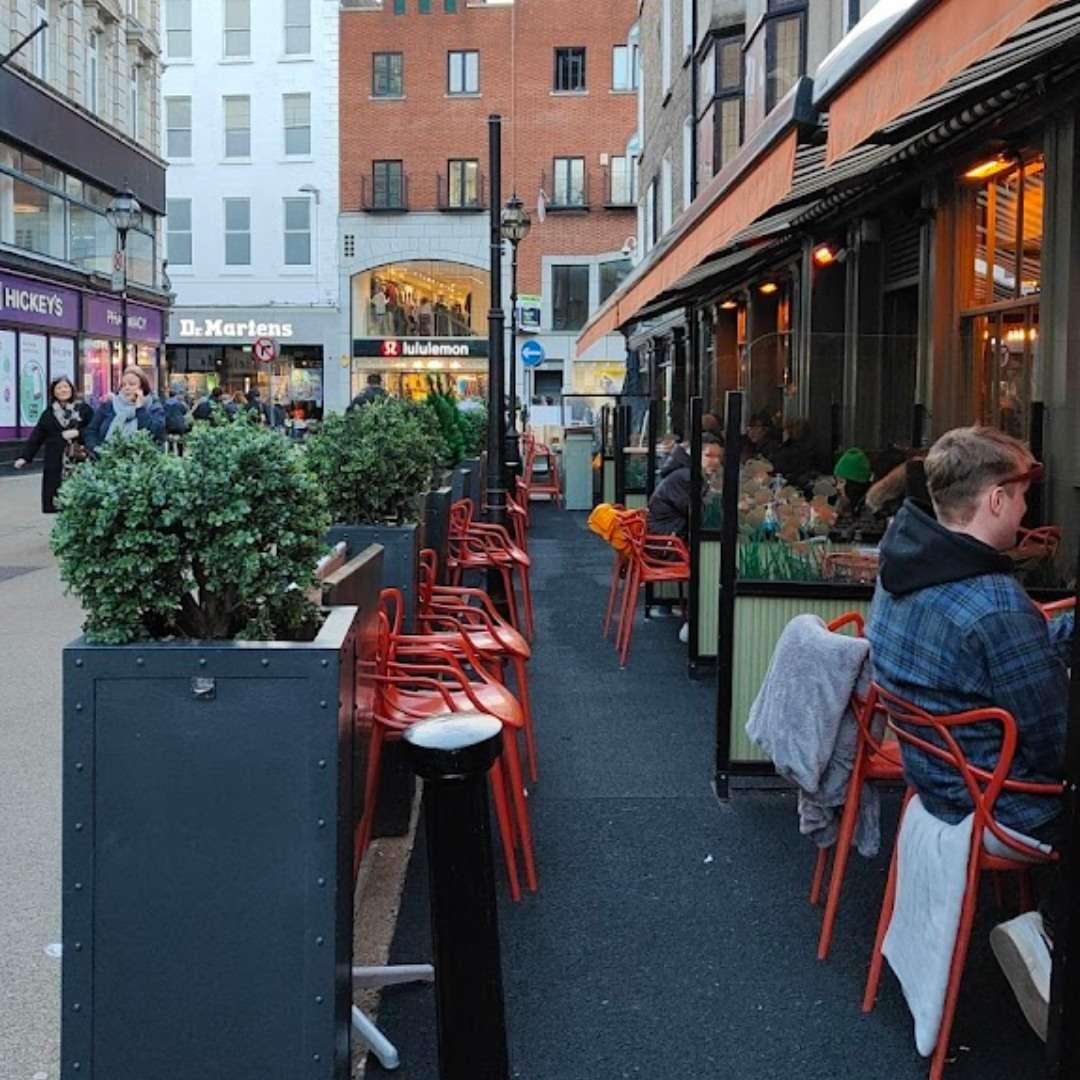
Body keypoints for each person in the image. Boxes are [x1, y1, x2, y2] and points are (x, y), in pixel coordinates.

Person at [865, 426, 1071, 1041]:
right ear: (997, 501)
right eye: (1022, 497)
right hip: (1005, 805)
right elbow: (1058, 747)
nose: (1027, 510)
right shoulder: (993, 603)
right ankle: (1048, 937)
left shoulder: (901, 563)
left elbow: (986, 658)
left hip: (938, 780)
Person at [13, 376, 93, 512]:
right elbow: (37, 436)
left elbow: (94, 430)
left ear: (71, 389)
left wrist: (78, 433)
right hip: (55, 463)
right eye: (59, 388)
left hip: (80, 460)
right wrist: (25, 457)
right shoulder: (48, 414)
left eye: (66, 387)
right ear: (54, 392)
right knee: (58, 502)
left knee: (81, 502)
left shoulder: (84, 409)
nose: (63, 390)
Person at [647, 433, 724, 539]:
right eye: (709, 455)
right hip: (670, 537)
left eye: (719, 456)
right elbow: (698, 514)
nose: (716, 461)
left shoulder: (686, 473)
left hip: (670, 531)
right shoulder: (686, 477)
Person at [83, 366, 165, 452]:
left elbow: (155, 434)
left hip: (143, 460)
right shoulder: (108, 406)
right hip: (107, 459)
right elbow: (91, 431)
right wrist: (97, 450)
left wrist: (140, 408)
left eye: (132, 384)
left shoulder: (153, 407)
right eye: (123, 385)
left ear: (142, 387)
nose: (127, 388)